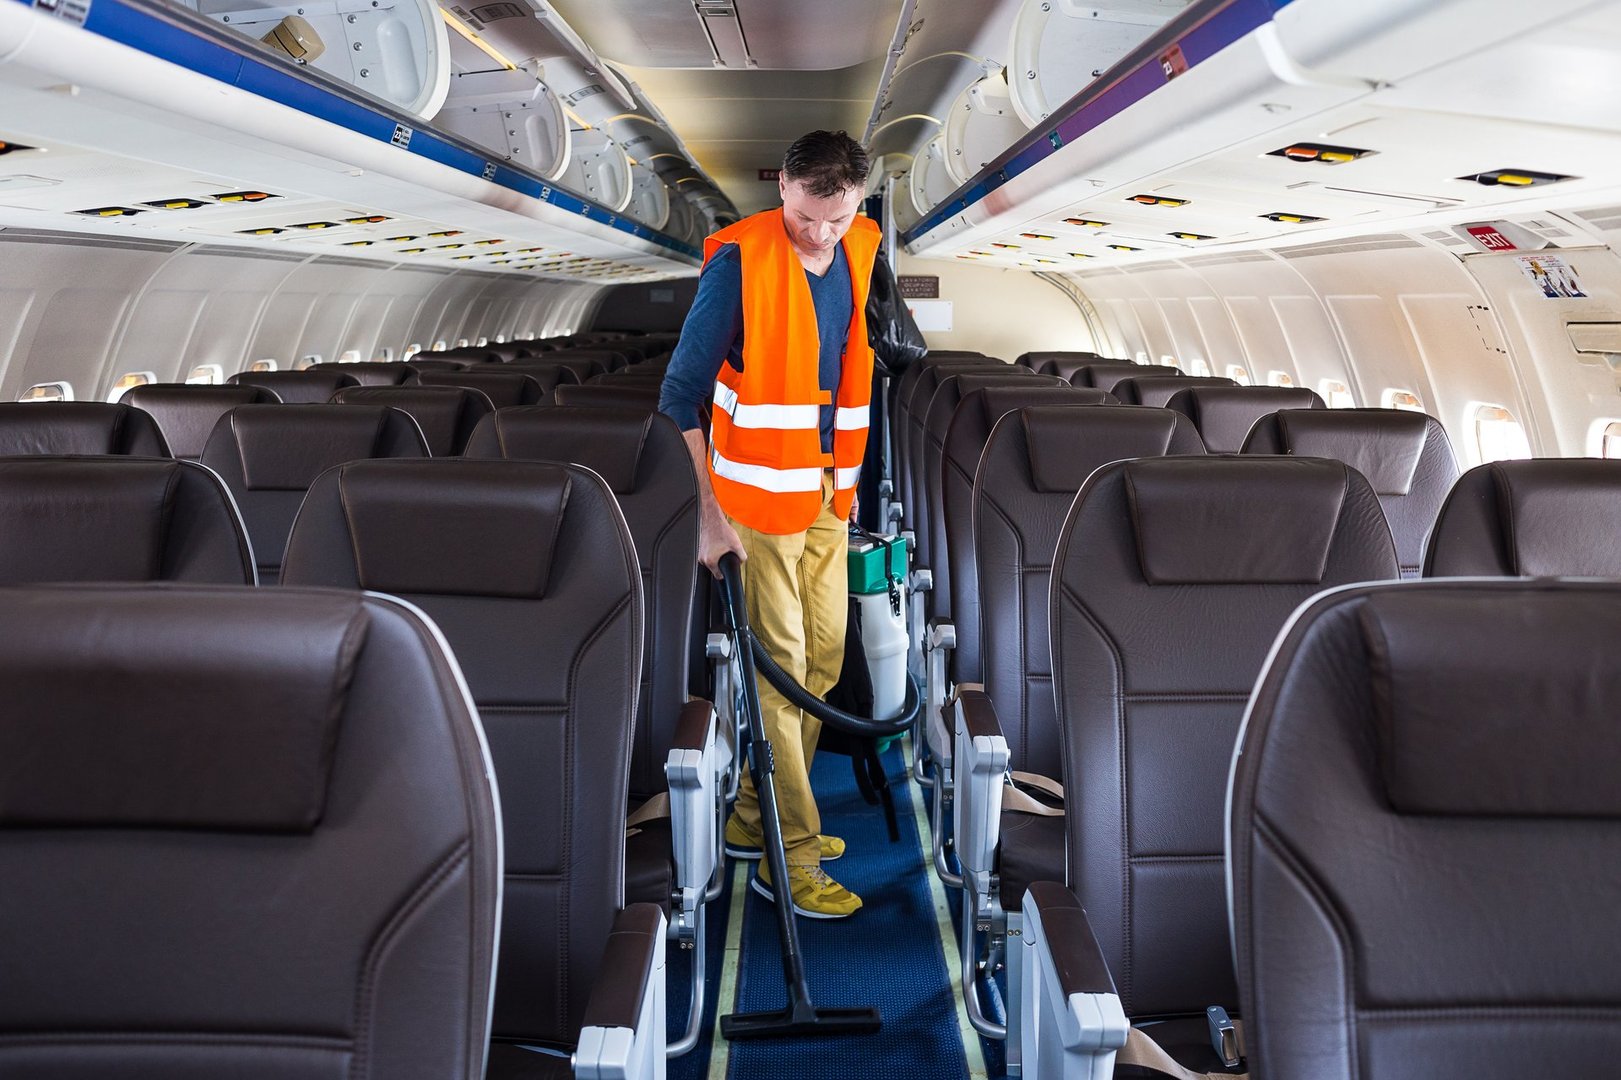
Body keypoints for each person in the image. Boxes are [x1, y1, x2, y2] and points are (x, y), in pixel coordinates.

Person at [658, 130, 881, 919]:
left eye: (838, 217)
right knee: (779, 672)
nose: (821, 232)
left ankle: (752, 813)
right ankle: (786, 857)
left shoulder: (858, 247)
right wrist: (706, 518)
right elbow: (678, 397)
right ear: (782, 183)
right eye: (809, 214)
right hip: (751, 503)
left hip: (825, 494)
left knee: (821, 663)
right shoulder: (738, 262)